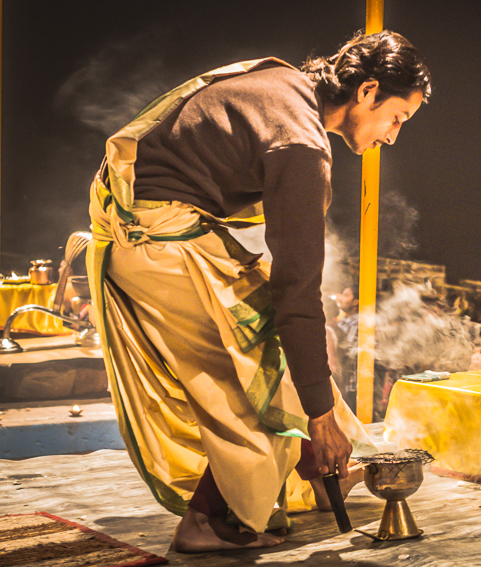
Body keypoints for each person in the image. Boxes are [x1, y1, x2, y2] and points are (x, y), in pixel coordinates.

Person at [86, 31, 431, 553]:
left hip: (152, 231)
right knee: (259, 371)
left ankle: (322, 471)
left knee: (281, 343)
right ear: (367, 92)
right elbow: (298, 293)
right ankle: (208, 521)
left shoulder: (285, 84)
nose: (393, 136)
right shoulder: (301, 143)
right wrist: (319, 416)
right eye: (397, 118)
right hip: (158, 244)